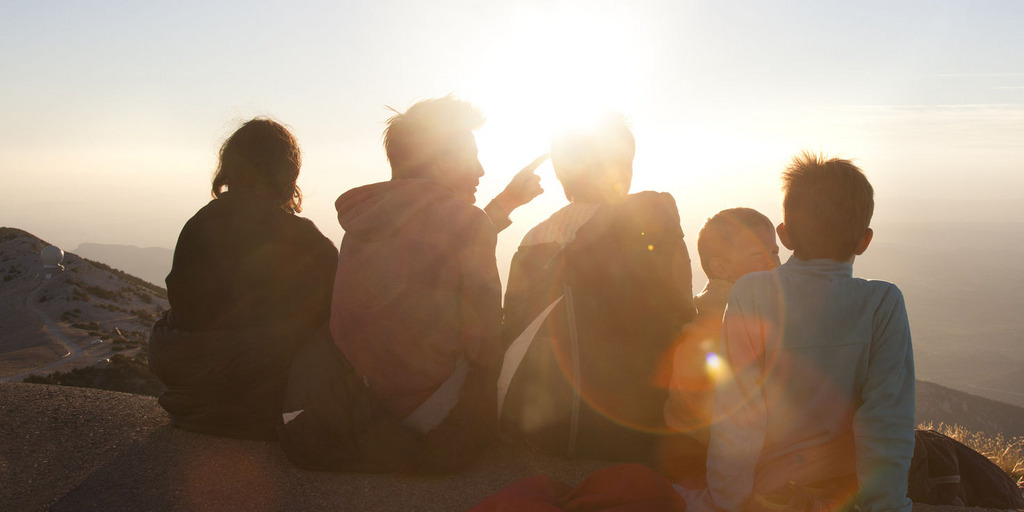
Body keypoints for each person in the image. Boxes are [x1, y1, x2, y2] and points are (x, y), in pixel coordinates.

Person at [683, 152, 915, 512]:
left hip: (774, 490)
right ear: (864, 241)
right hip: (847, 490)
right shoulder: (883, 303)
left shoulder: (751, 294)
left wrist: (729, 503)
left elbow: (738, 416)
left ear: (785, 235)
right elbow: (887, 422)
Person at [326, 96, 543, 457]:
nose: (481, 171)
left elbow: (438, 237)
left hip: (356, 404)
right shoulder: (464, 223)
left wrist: (506, 202)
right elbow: (485, 345)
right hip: (429, 414)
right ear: (442, 161)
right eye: (471, 157)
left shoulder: (364, 220)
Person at [499, 112, 697, 462]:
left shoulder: (532, 240)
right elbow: (684, 308)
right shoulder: (652, 217)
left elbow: (512, 325)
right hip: (643, 425)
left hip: (548, 432)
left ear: (563, 175)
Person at [149, 118, 338, 440]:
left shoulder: (197, 225)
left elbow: (183, 303)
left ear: (228, 167)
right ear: (287, 173)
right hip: (269, 402)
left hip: (192, 400)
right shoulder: (304, 239)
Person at [662, 208, 779, 460]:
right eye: (760, 255)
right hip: (700, 449)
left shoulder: (750, 308)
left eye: (775, 252)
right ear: (721, 268)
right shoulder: (719, 325)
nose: (774, 263)